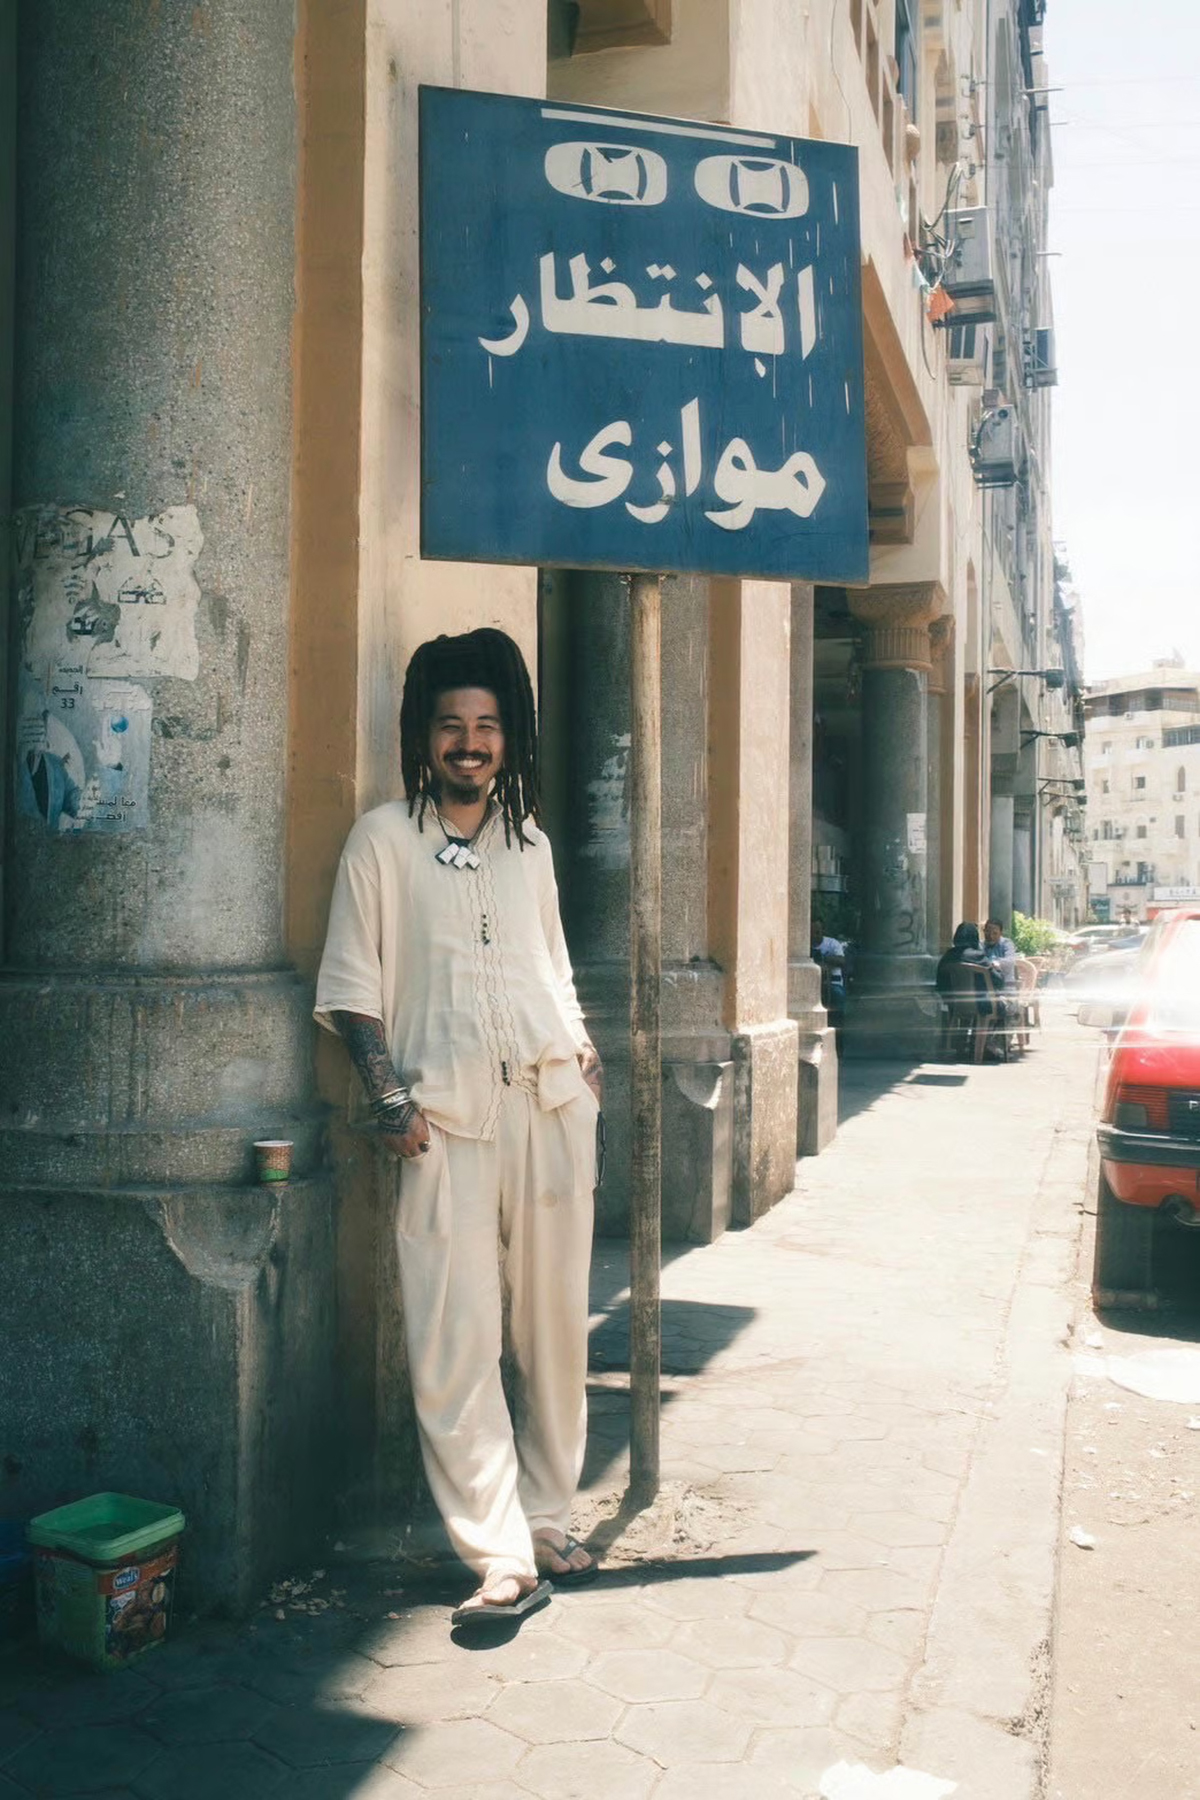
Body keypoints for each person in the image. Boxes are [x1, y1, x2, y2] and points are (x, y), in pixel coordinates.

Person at [315, 628, 602, 1628]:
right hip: (442, 1122)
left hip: (554, 1105)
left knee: (556, 1326)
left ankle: (552, 1513)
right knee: (453, 1338)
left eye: (486, 726)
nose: (470, 743)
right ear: (424, 737)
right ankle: (497, 1549)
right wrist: (386, 1095)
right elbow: (355, 985)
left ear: (510, 738)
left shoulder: (533, 847)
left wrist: (584, 1046)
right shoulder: (383, 840)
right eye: (452, 726)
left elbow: (552, 960)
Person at [936, 921, 1003, 1061]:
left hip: (954, 1004)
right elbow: (999, 982)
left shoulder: (947, 956)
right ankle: (986, 1047)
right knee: (1003, 1007)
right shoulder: (979, 957)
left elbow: (940, 983)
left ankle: (960, 1046)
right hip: (982, 1005)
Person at [810, 914, 847, 1029]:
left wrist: (822, 957)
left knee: (838, 995)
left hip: (832, 983)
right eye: (812, 932)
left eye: (817, 932)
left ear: (823, 930)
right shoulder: (805, 946)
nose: (814, 936)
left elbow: (842, 961)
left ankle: (838, 1029)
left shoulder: (833, 944)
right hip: (811, 985)